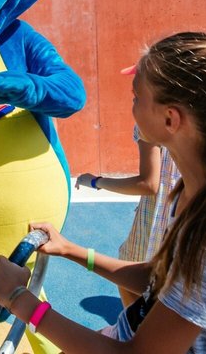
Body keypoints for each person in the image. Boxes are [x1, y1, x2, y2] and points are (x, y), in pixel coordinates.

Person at [0, 32, 206, 353]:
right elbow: (160, 278)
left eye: (137, 97)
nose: (133, 106)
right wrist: (71, 250)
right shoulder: (193, 193)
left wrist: (20, 301)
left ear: (170, 119)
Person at [76, 123, 180, 306]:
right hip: (194, 211)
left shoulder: (150, 120)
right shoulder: (203, 118)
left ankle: (134, 322)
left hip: (158, 217)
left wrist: (95, 182)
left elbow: (149, 184)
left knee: (130, 270)